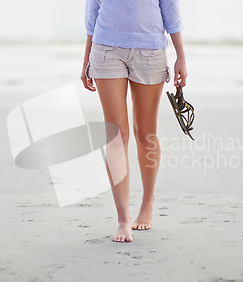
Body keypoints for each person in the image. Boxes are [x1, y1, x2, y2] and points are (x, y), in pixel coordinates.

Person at [80, 0, 187, 243]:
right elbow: (92, 14)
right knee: (116, 135)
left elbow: (170, 10)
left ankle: (147, 204)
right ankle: (123, 219)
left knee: (146, 134)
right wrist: (86, 59)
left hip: (150, 51)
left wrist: (181, 56)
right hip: (106, 50)